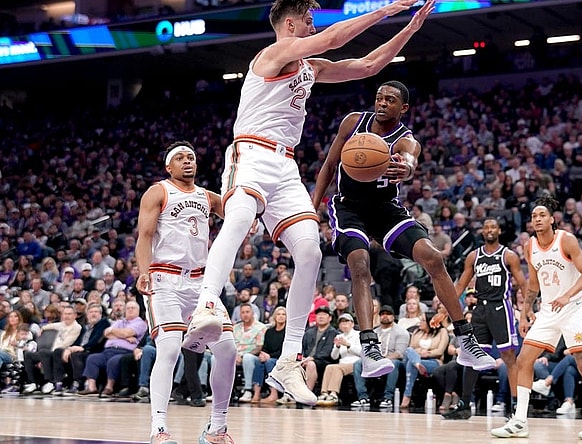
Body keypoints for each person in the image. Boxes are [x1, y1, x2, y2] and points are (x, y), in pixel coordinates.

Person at [183, 0, 436, 408]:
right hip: (252, 152)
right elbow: (334, 38)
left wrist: (410, 28)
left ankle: (289, 360)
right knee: (240, 215)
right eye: (308, 19)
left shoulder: (310, 67)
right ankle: (207, 305)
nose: (314, 26)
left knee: (310, 252)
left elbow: (369, 65)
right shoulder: (274, 54)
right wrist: (385, 10)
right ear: (289, 23)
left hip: (286, 165)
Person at [312, 80, 495, 382]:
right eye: (379, 98)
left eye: (390, 100)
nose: (382, 103)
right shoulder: (353, 122)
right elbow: (330, 165)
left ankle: (465, 339)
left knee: (433, 257)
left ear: (404, 108)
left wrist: (407, 168)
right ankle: (369, 348)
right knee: (360, 262)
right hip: (349, 208)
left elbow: (410, 160)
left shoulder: (406, 140)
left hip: (385, 209)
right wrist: (312, 207)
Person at [135, 141, 236, 444]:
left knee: (228, 350)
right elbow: (145, 236)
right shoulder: (159, 192)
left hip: (201, 282)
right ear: (169, 166)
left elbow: (238, 213)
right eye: (179, 158)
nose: (187, 161)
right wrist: (143, 271)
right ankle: (158, 428)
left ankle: (216, 428)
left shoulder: (207, 197)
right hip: (165, 279)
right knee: (168, 349)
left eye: (190, 157)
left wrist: (250, 216)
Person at [492, 196, 582, 440]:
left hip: (573, 307)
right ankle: (520, 420)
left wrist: (567, 295)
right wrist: (525, 313)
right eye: (534, 216)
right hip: (547, 310)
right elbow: (533, 284)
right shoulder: (530, 246)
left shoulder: (566, 239)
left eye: (542, 215)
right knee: (524, 359)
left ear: (552, 219)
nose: (537, 219)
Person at [443, 218, 528, 419]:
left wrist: (526, 311)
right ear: (482, 232)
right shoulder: (474, 256)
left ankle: (516, 407)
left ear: (499, 230)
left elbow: (524, 284)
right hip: (480, 309)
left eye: (493, 227)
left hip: (500, 307)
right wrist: (445, 310)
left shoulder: (509, 255)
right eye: (486, 227)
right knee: (472, 356)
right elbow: (461, 285)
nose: (490, 230)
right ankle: (465, 404)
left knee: (509, 357)